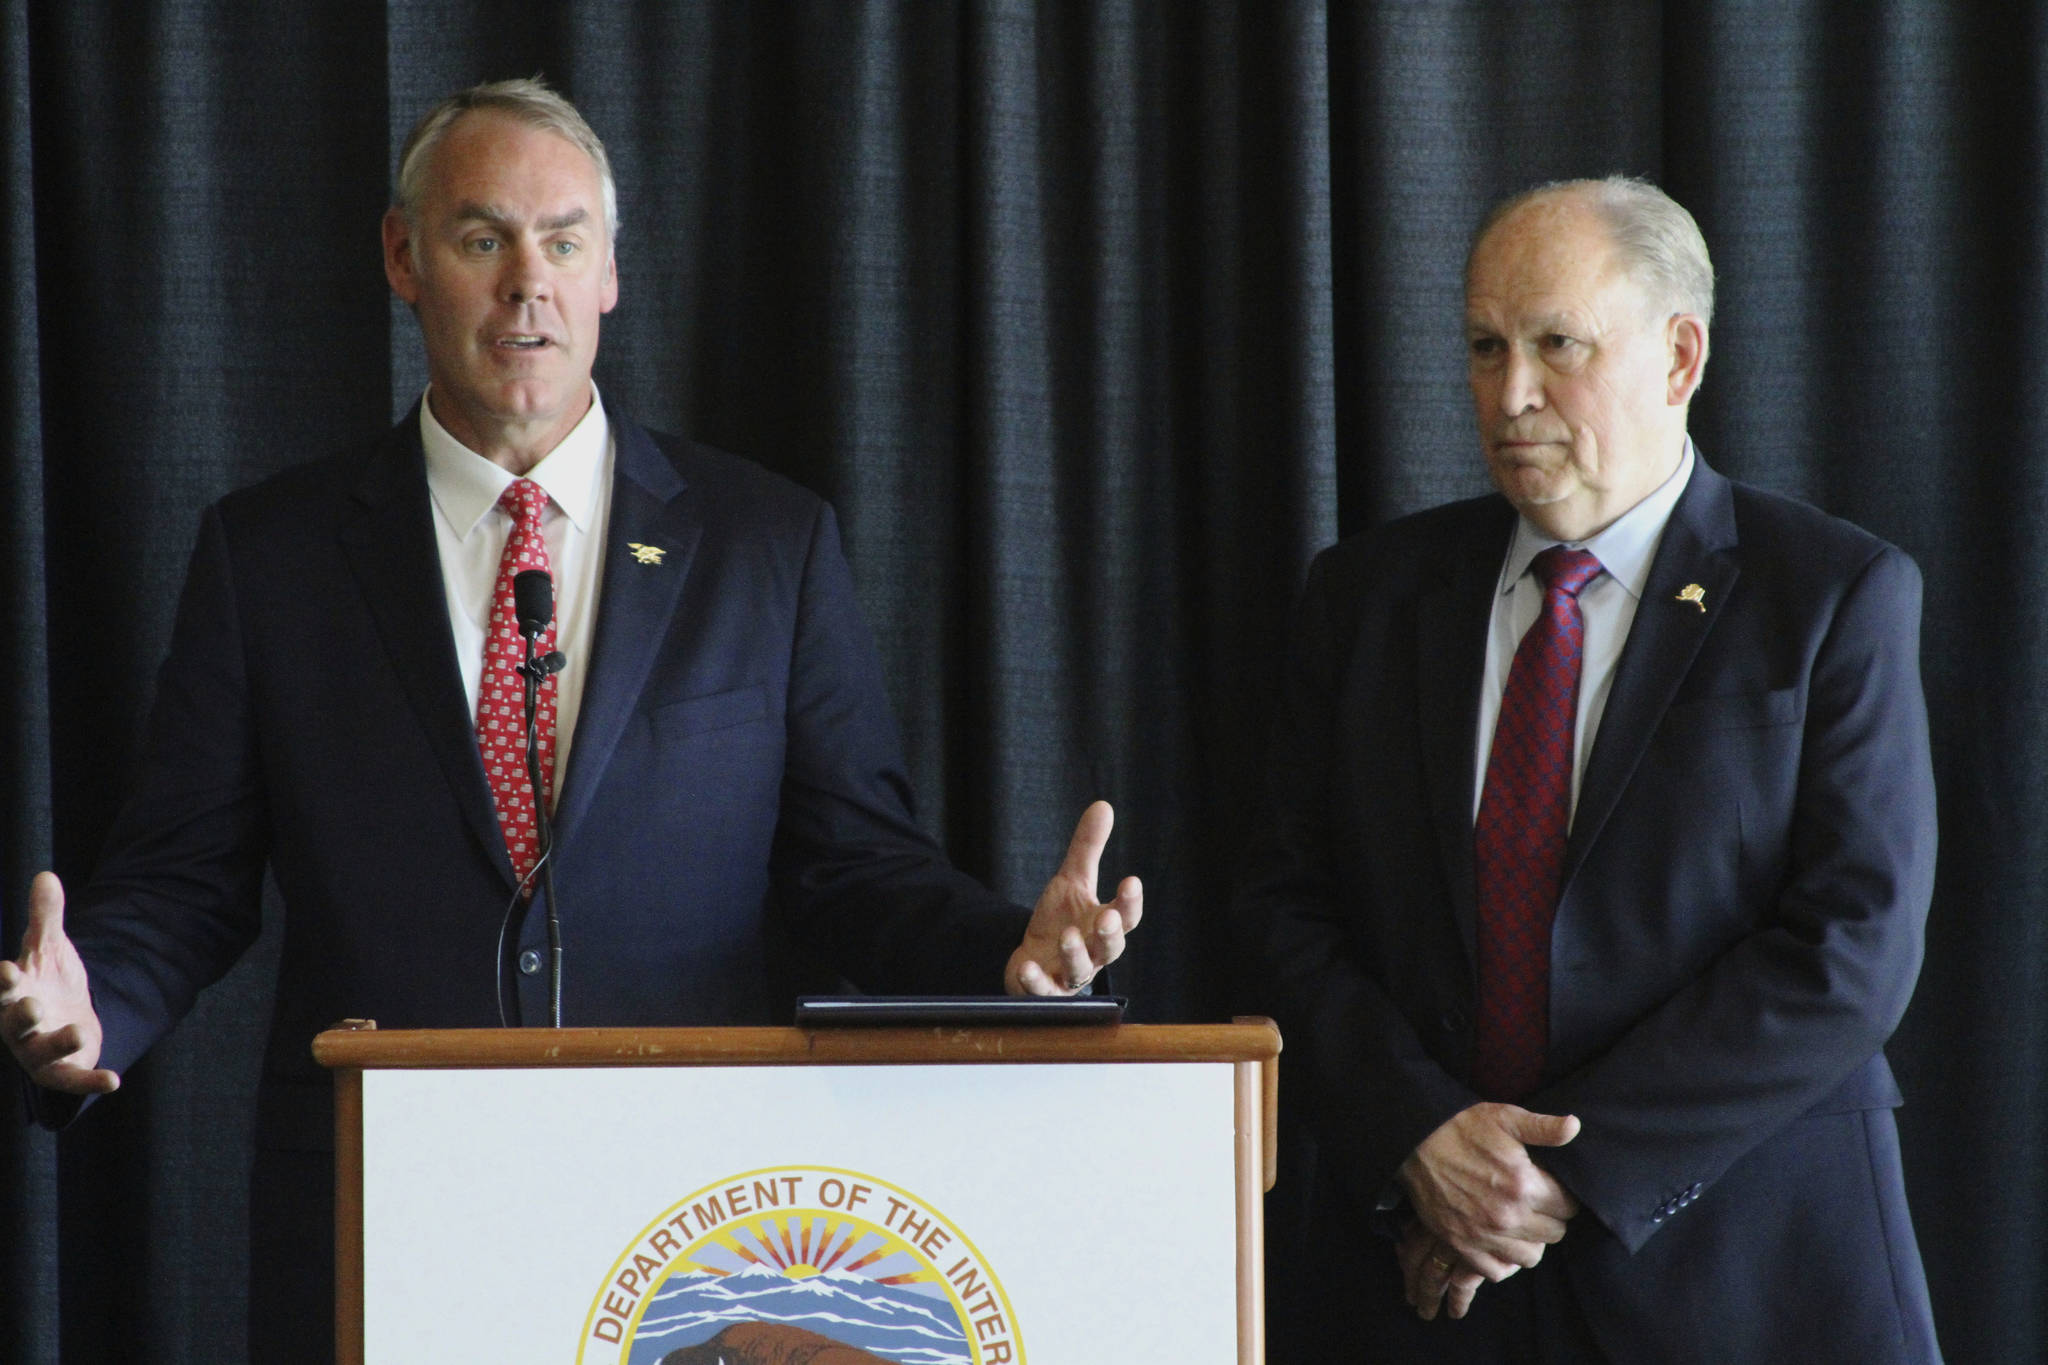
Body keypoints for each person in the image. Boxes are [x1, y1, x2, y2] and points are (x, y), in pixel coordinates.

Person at [0, 78, 1140, 1361]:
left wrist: (1008, 958)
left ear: (608, 274)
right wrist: (95, 1007)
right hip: (383, 1219)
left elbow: (855, 869)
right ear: (403, 258)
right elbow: (183, 882)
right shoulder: (273, 557)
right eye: (482, 239)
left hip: (692, 1233)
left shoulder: (765, 545)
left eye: (564, 241)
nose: (524, 284)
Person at [1246, 176, 1939, 1362]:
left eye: (1555, 344)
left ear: (1677, 358)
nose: (1508, 394)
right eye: (1482, 345)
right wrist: (1421, 1137)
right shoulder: (1365, 597)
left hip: (1746, 1274)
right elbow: (1282, 908)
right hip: (1421, 1275)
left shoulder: (1828, 594)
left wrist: (1556, 1177)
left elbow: (1850, 946)